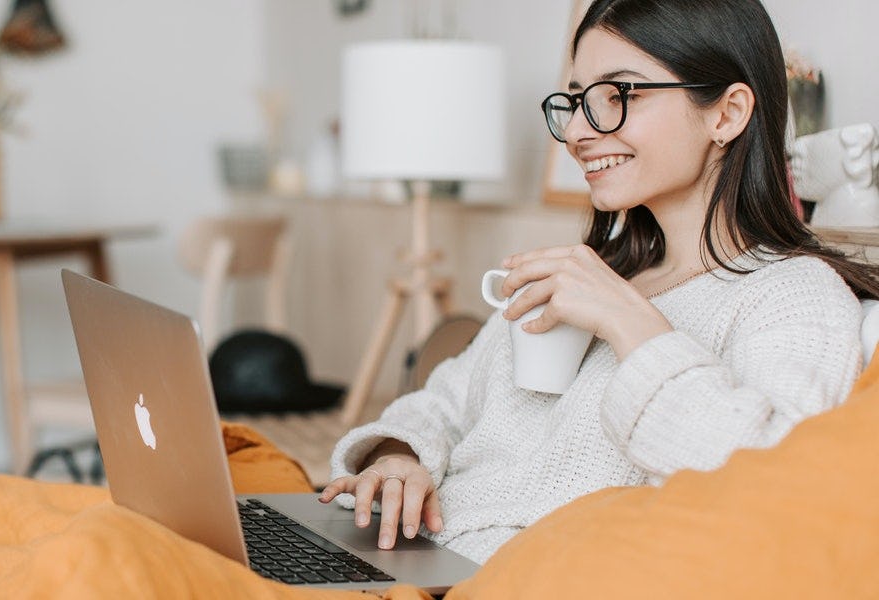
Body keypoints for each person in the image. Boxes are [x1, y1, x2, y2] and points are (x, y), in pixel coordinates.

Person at [319, 0, 879, 565]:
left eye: (620, 96)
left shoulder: (792, 295)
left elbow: (772, 484)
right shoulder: (592, 270)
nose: (580, 132)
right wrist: (398, 457)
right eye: (578, 101)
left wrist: (631, 323)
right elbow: (441, 401)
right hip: (407, 552)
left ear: (727, 114)